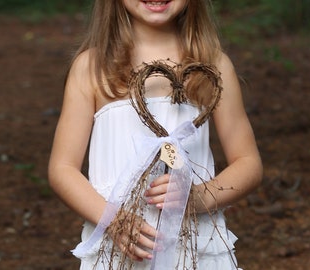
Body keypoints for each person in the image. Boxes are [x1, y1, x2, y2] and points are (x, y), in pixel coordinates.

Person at [48, 0, 263, 269]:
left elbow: (248, 162)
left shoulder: (212, 65)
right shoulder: (91, 68)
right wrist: (112, 219)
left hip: (195, 245)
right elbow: (62, 167)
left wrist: (200, 197)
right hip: (119, 247)